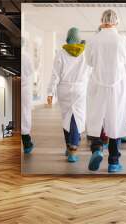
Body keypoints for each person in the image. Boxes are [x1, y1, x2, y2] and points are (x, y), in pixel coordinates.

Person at [85, 9, 126, 173]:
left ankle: (97, 149)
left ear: (102, 20)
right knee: (116, 119)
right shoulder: (123, 40)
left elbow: (89, 62)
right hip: (117, 84)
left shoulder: (93, 40)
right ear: (116, 21)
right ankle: (113, 162)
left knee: (96, 116)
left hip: (98, 83)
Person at [46, 27, 91, 163]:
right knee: (76, 118)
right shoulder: (85, 53)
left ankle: (68, 146)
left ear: (67, 38)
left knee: (66, 117)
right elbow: (90, 72)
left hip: (63, 89)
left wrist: (50, 92)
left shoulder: (60, 53)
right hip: (80, 89)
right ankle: (73, 150)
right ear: (79, 38)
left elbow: (55, 75)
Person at [21, 39, 35, 154]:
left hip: (16, 86)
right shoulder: (26, 57)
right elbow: (31, 71)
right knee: (25, 114)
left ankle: (26, 142)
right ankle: (26, 144)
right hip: (24, 89)